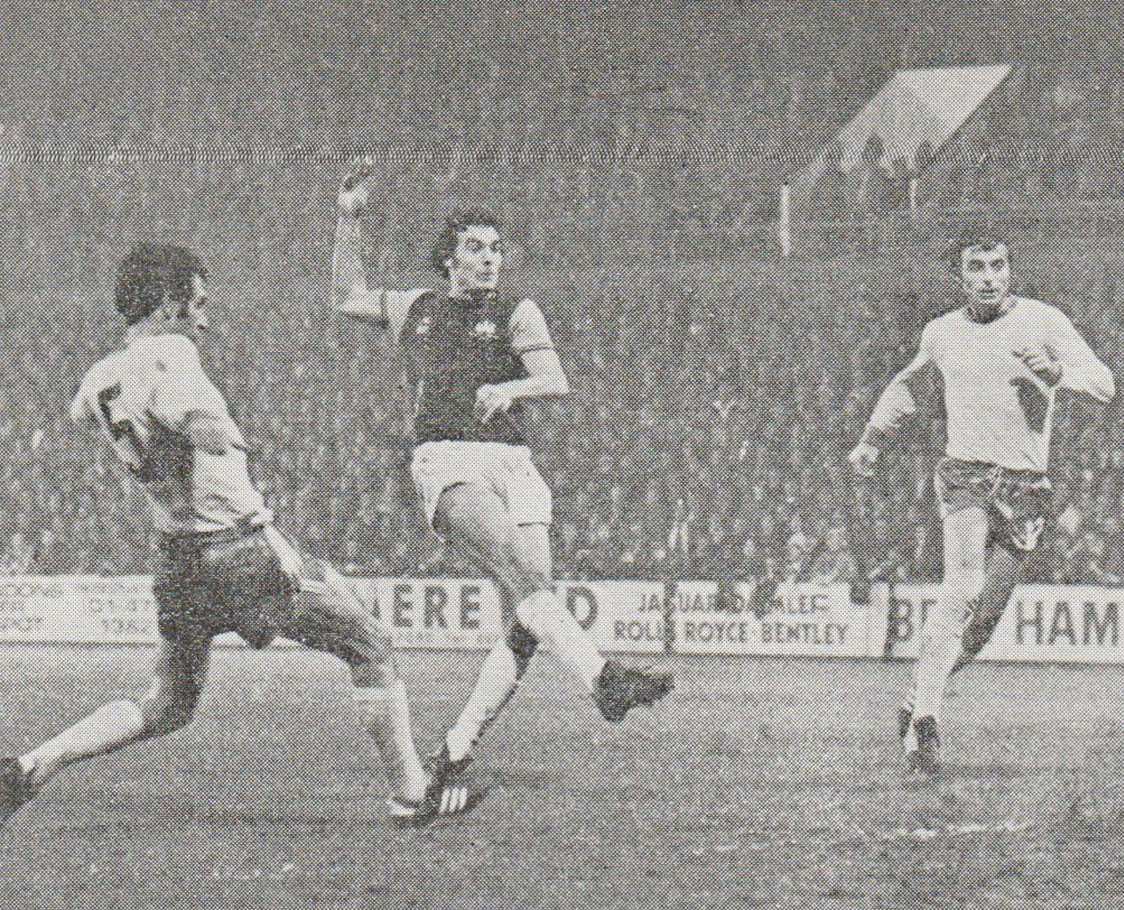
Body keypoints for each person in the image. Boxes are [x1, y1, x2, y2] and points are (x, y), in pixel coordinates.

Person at [0, 245, 455, 826]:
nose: (205, 320)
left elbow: (79, 414)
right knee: (368, 643)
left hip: (175, 557)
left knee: (168, 703)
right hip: (236, 550)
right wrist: (225, 437)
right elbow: (206, 429)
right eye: (198, 305)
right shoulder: (173, 357)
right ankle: (413, 795)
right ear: (168, 306)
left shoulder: (99, 376)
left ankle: (30, 767)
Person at [329, 161, 672, 811]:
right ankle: (601, 678)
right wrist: (349, 218)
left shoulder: (519, 311)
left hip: (515, 462)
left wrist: (509, 387)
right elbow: (347, 295)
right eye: (475, 249)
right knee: (520, 572)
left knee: (528, 612)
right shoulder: (415, 309)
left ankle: (457, 748)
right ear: (449, 260)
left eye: (496, 249)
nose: (489, 260)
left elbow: (555, 379)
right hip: (448, 458)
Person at [850, 237, 1114, 772]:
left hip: (1026, 488)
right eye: (977, 268)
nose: (990, 277)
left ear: (1011, 271)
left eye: (998, 266)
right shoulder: (943, 334)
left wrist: (1061, 374)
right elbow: (908, 384)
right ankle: (926, 723)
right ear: (961, 277)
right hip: (966, 473)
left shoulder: (1045, 322)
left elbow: (1105, 385)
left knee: (984, 616)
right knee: (963, 585)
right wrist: (874, 436)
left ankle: (915, 700)